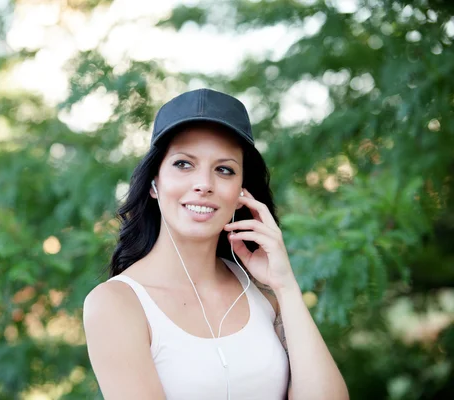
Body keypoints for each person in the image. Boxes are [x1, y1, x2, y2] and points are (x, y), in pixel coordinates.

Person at [83, 88, 349, 400]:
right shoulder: (117, 303)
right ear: (155, 182)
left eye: (224, 169)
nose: (204, 185)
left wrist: (285, 285)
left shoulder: (264, 295)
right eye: (184, 164)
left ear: (241, 191)